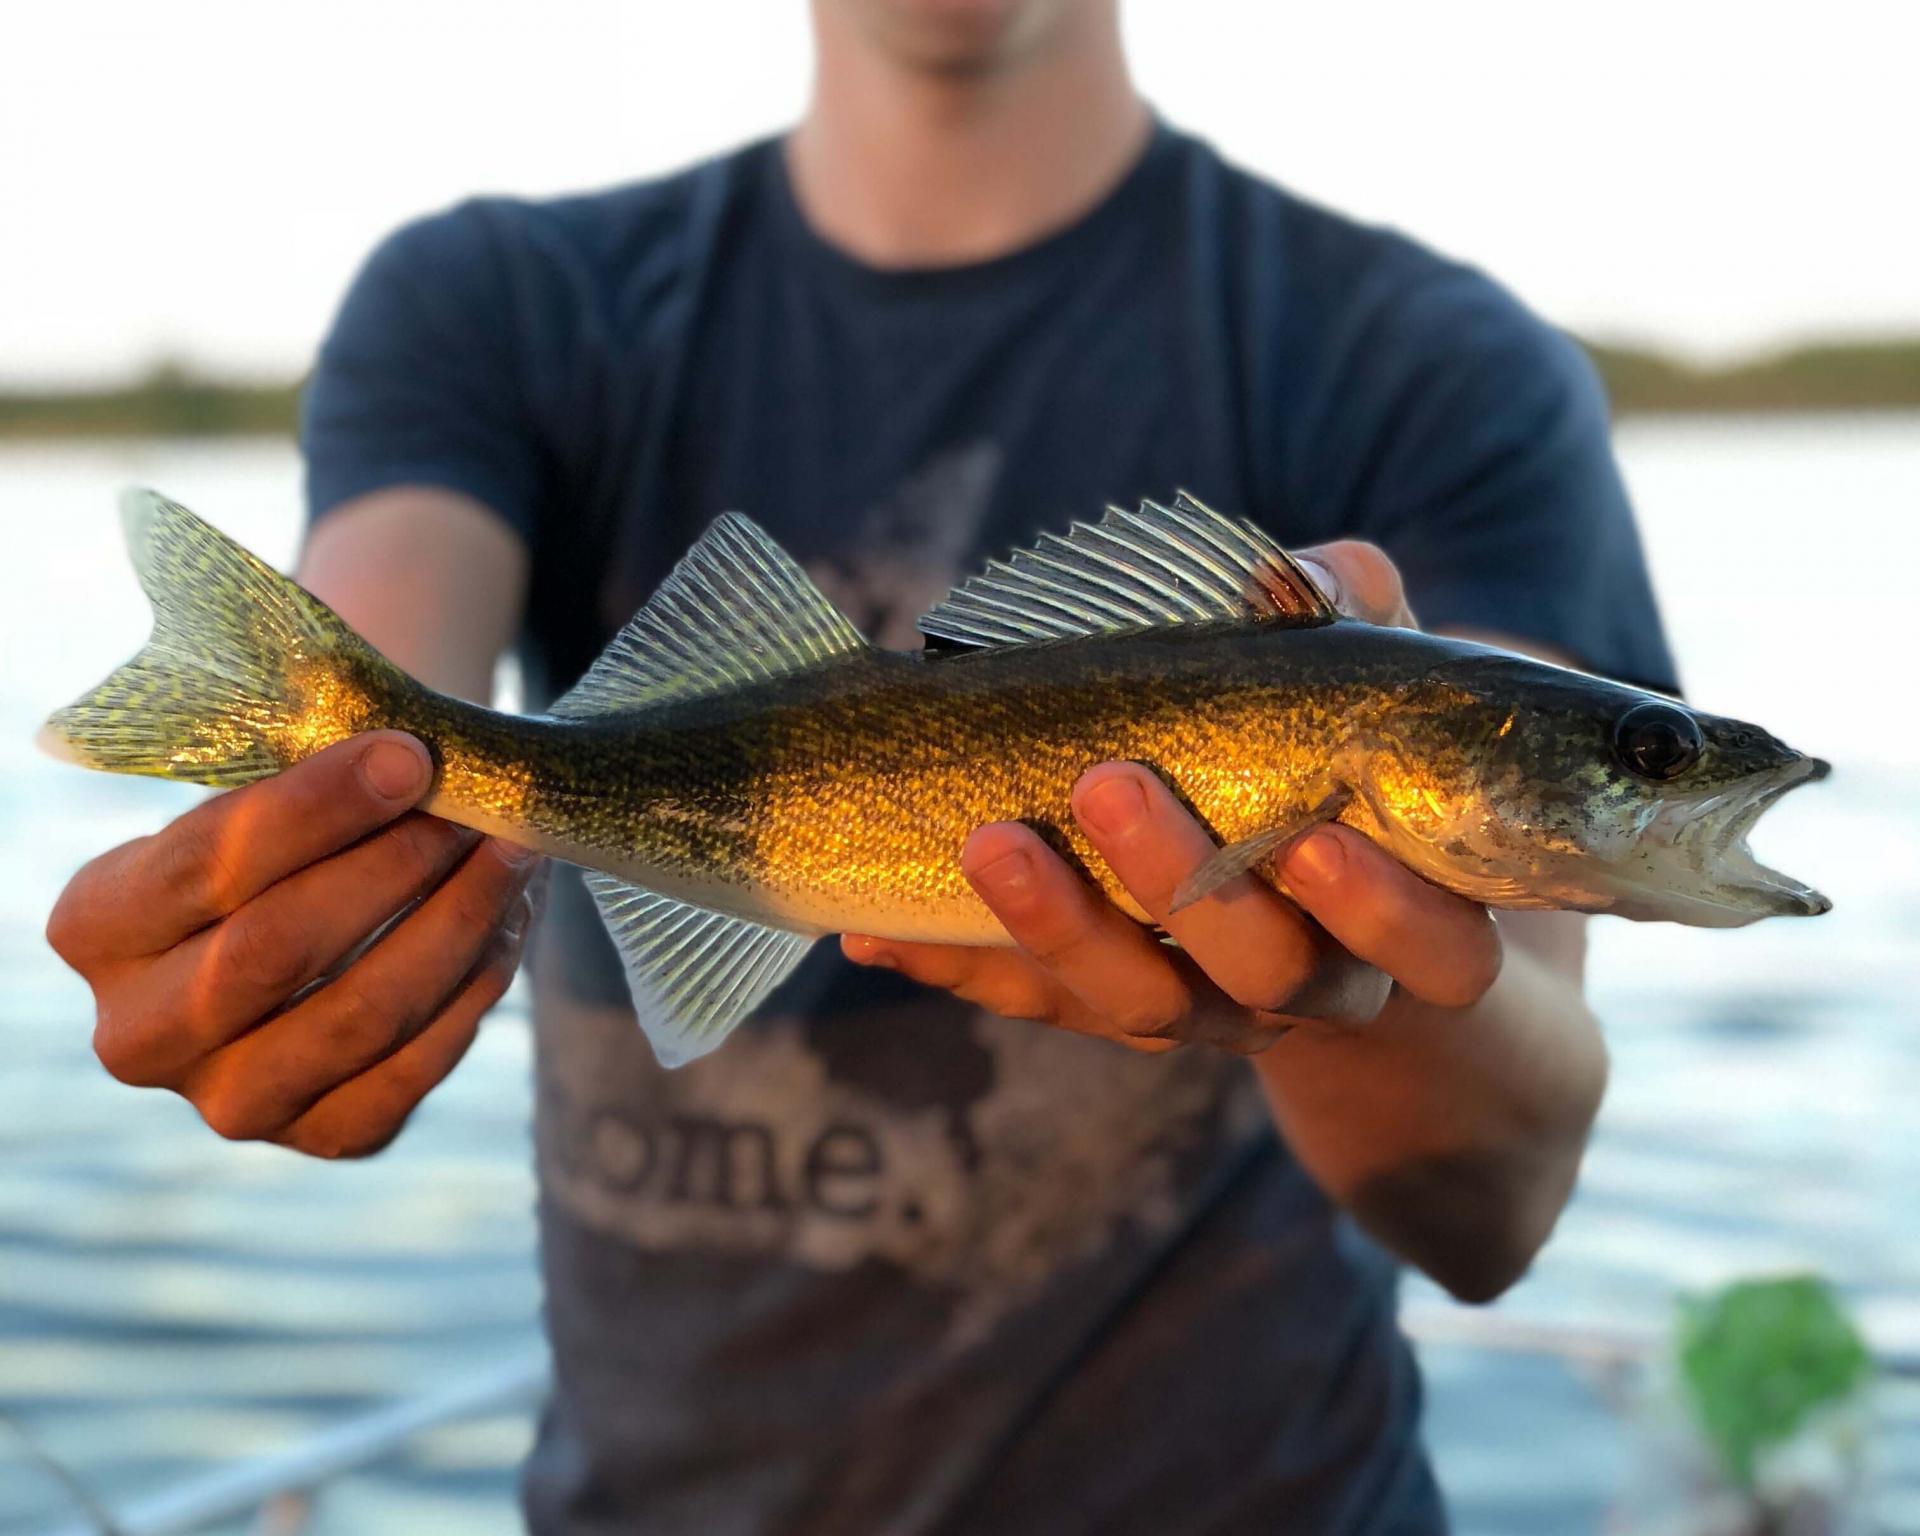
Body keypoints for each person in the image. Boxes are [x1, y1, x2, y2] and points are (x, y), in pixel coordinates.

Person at [46, 1, 1678, 1529]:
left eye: (1646, 755)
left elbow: (1498, 1204)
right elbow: (386, 652)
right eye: (1648, 755)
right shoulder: (495, 304)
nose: (1650, 775)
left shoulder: (1434, 363)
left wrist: (1333, 993)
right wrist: (303, 913)